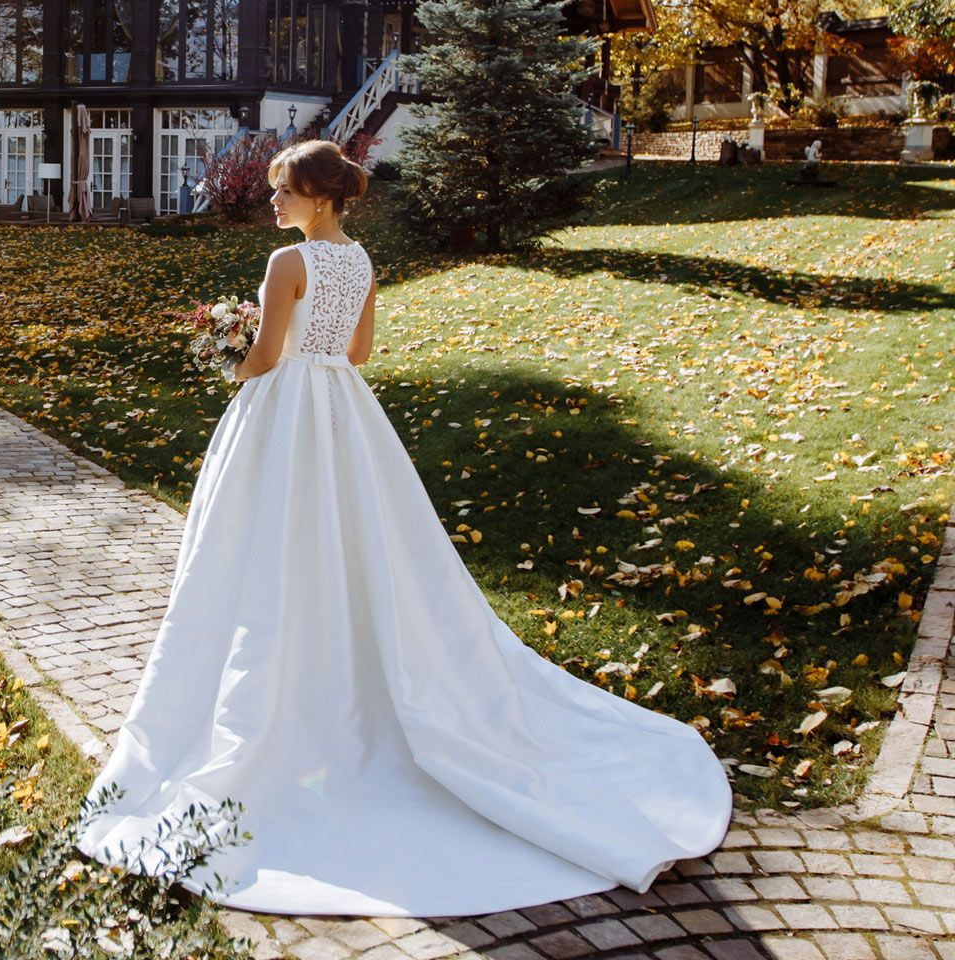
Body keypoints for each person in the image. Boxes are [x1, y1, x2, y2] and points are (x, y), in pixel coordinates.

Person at [74, 137, 731, 918]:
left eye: (282, 191)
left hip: (283, 419)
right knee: (360, 543)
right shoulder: (361, 262)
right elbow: (358, 352)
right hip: (346, 418)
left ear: (316, 197)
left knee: (265, 548)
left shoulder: (290, 266)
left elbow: (262, 360)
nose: (272, 203)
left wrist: (228, 352)